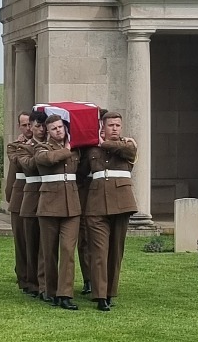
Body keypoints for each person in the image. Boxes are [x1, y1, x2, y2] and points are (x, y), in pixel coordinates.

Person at [78, 111, 137, 311]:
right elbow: (81, 174)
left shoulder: (128, 145)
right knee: (99, 251)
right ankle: (100, 295)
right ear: (102, 127)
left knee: (115, 251)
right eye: (110, 125)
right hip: (96, 205)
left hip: (121, 204)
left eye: (117, 125)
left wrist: (102, 143)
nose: (114, 128)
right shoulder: (91, 149)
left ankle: (111, 291)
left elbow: (127, 153)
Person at [35, 114, 82, 310]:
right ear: (48, 131)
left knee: (68, 250)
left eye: (60, 127)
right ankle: (50, 290)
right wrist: (68, 150)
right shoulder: (42, 147)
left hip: (71, 206)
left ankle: (65, 294)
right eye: (53, 128)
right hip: (49, 206)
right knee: (49, 251)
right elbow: (49, 159)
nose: (58, 131)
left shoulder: (76, 148)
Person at [15, 110, 48, 299]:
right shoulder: (21, 147)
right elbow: (27, 165)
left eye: (43, 126)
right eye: (36, 126)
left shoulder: (52, 146)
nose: (39, 130)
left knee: (45, 245)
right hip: (31, 198)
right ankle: (30, 281)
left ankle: (43, 283)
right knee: (29, 242)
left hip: (50, 198)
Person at [5, 111, 32, 292]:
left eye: (31, 124)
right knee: (21, 241)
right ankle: (23, 278)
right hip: (20, 196)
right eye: (24, 125)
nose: (28, 128)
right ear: (19, 127)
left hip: (37, 197)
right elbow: (18, 162)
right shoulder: (14, 146)